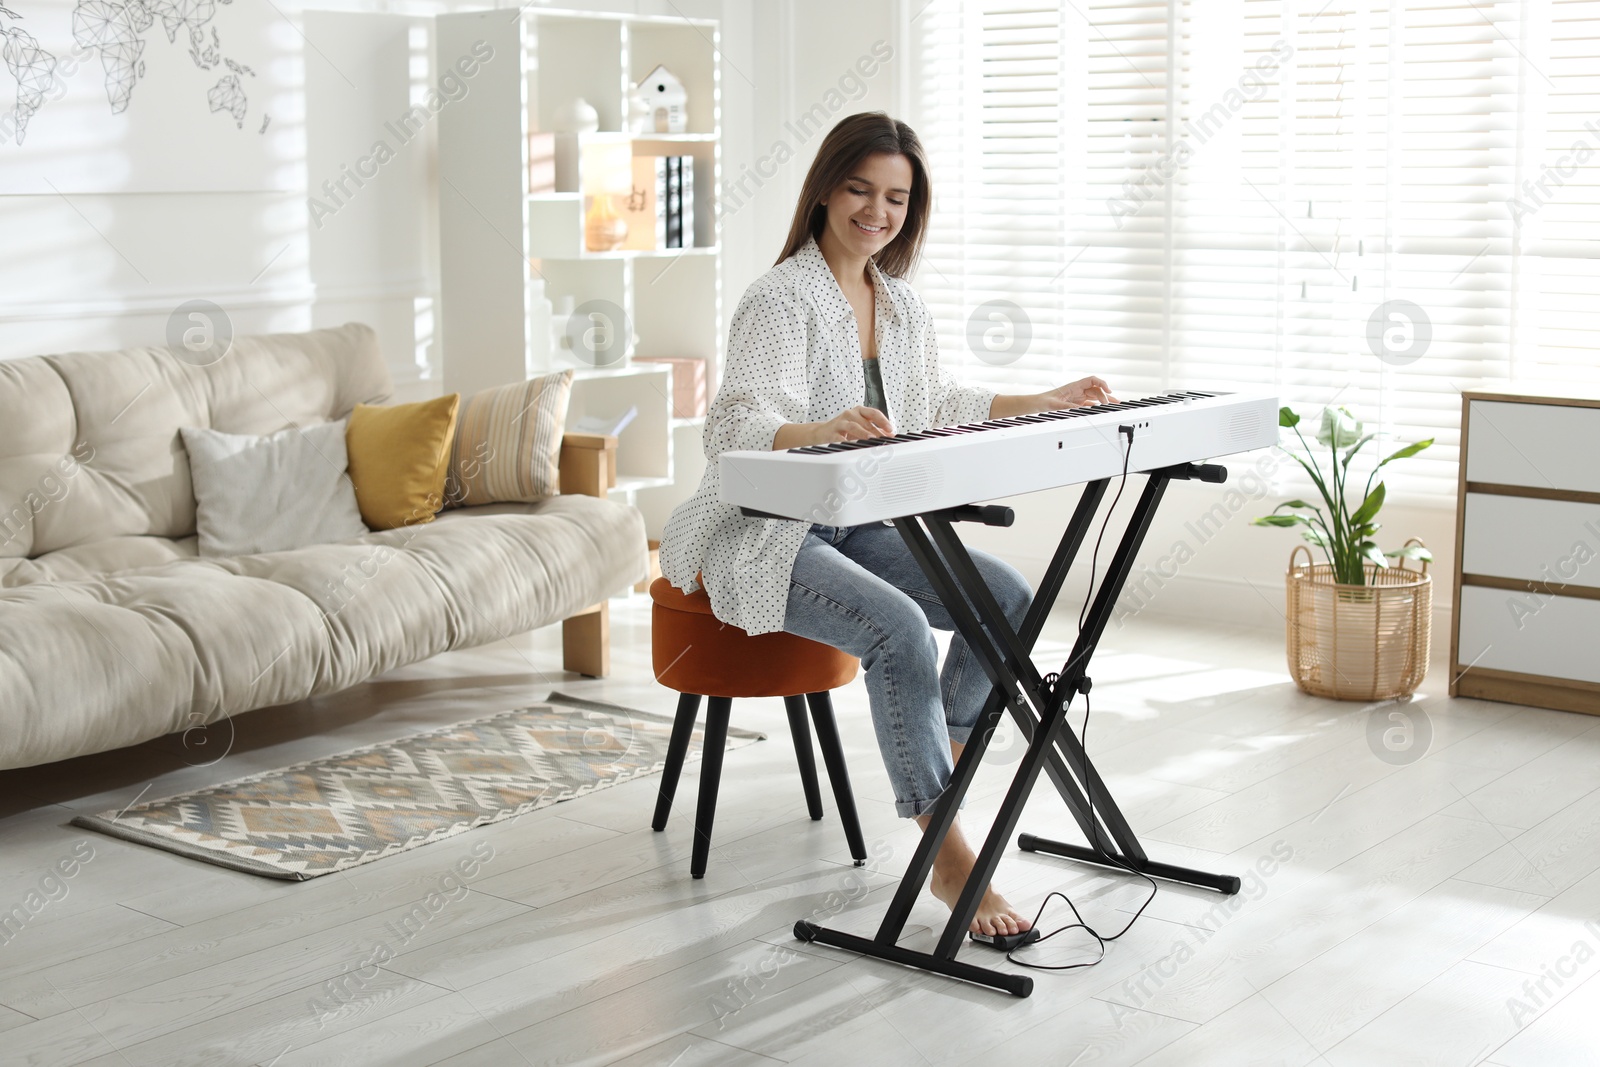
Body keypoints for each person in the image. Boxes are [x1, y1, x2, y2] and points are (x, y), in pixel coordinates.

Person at [659, 111, 1114, 937]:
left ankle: (934, 779)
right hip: (766, 531)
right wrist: (819, 428)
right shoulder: (780, 298)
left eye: (897, 197)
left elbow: (936, 405)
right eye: (861, 188)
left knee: (1008, 598)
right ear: (827, 191)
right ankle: (947, 853)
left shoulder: (901, 307)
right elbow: (731, 429)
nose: (878, 209)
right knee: (901, 628)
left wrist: (1040, 400)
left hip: (857, 519)